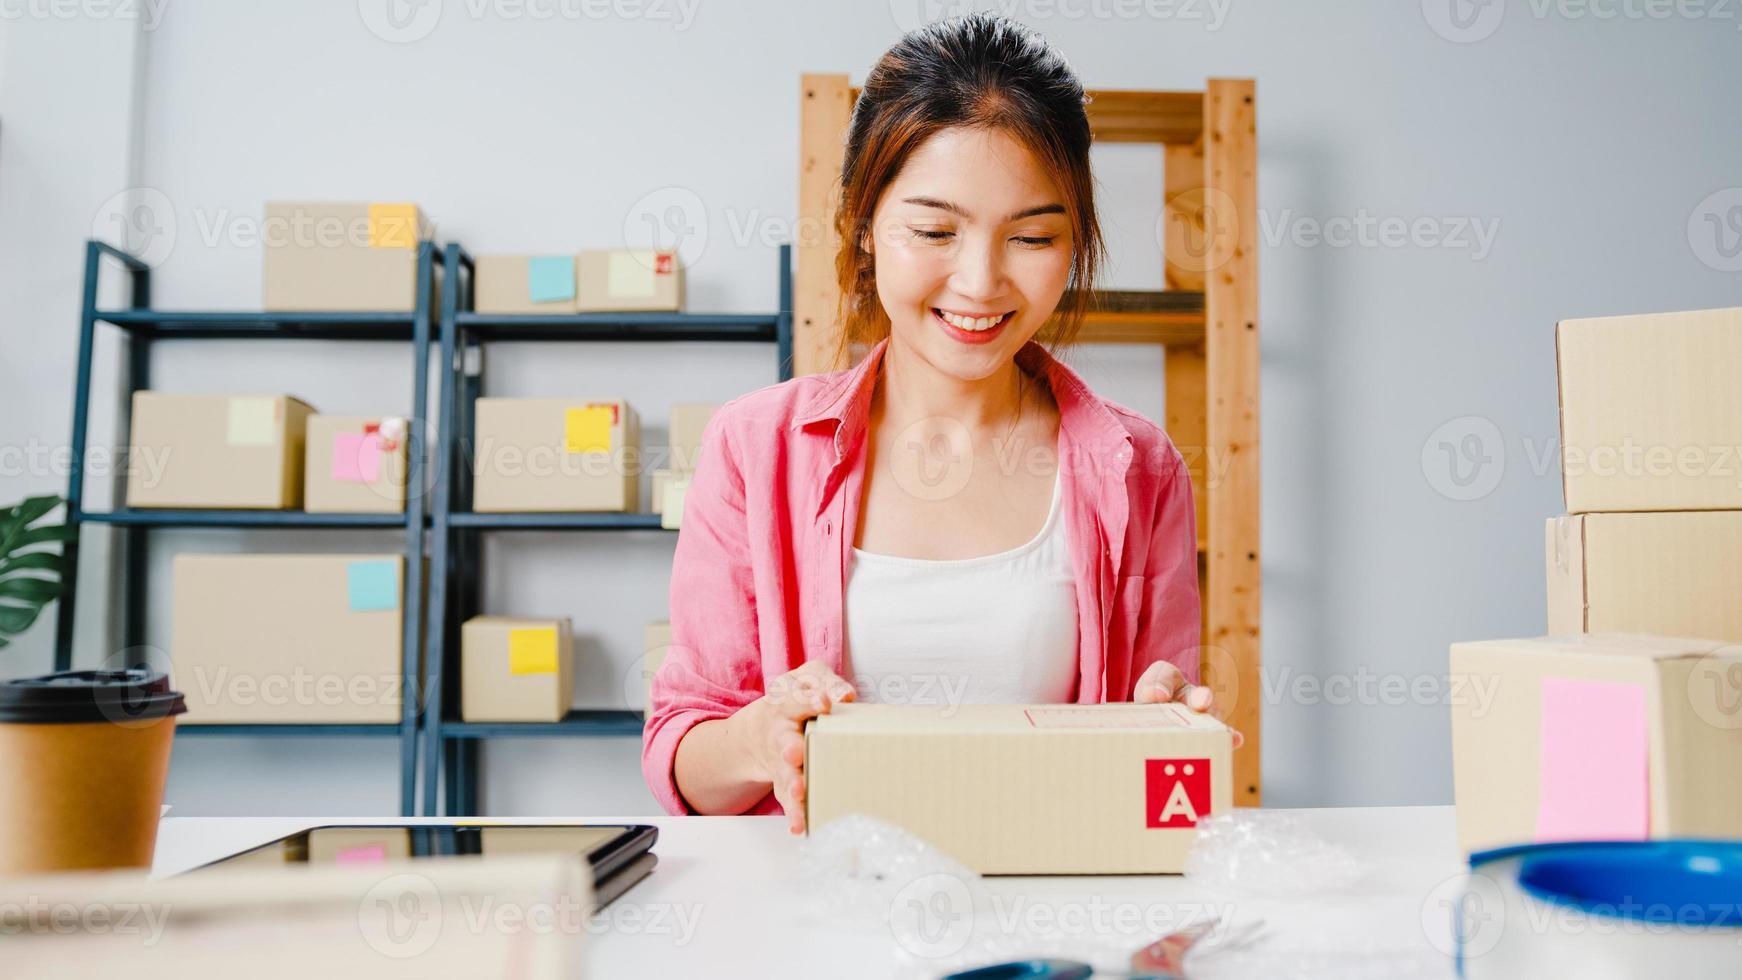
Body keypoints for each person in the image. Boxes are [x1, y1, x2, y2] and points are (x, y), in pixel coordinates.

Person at [643, 12, 1230, 834]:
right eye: (935, 231)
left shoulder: (1139, 465)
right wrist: (756, 739)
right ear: (865, 226)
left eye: (1032, 236)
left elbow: (1164, 798)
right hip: (823, 928)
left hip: (1053, 913)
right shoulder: (756, 448)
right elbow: (684, 756)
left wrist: (1169, 736)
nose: (981, 281)